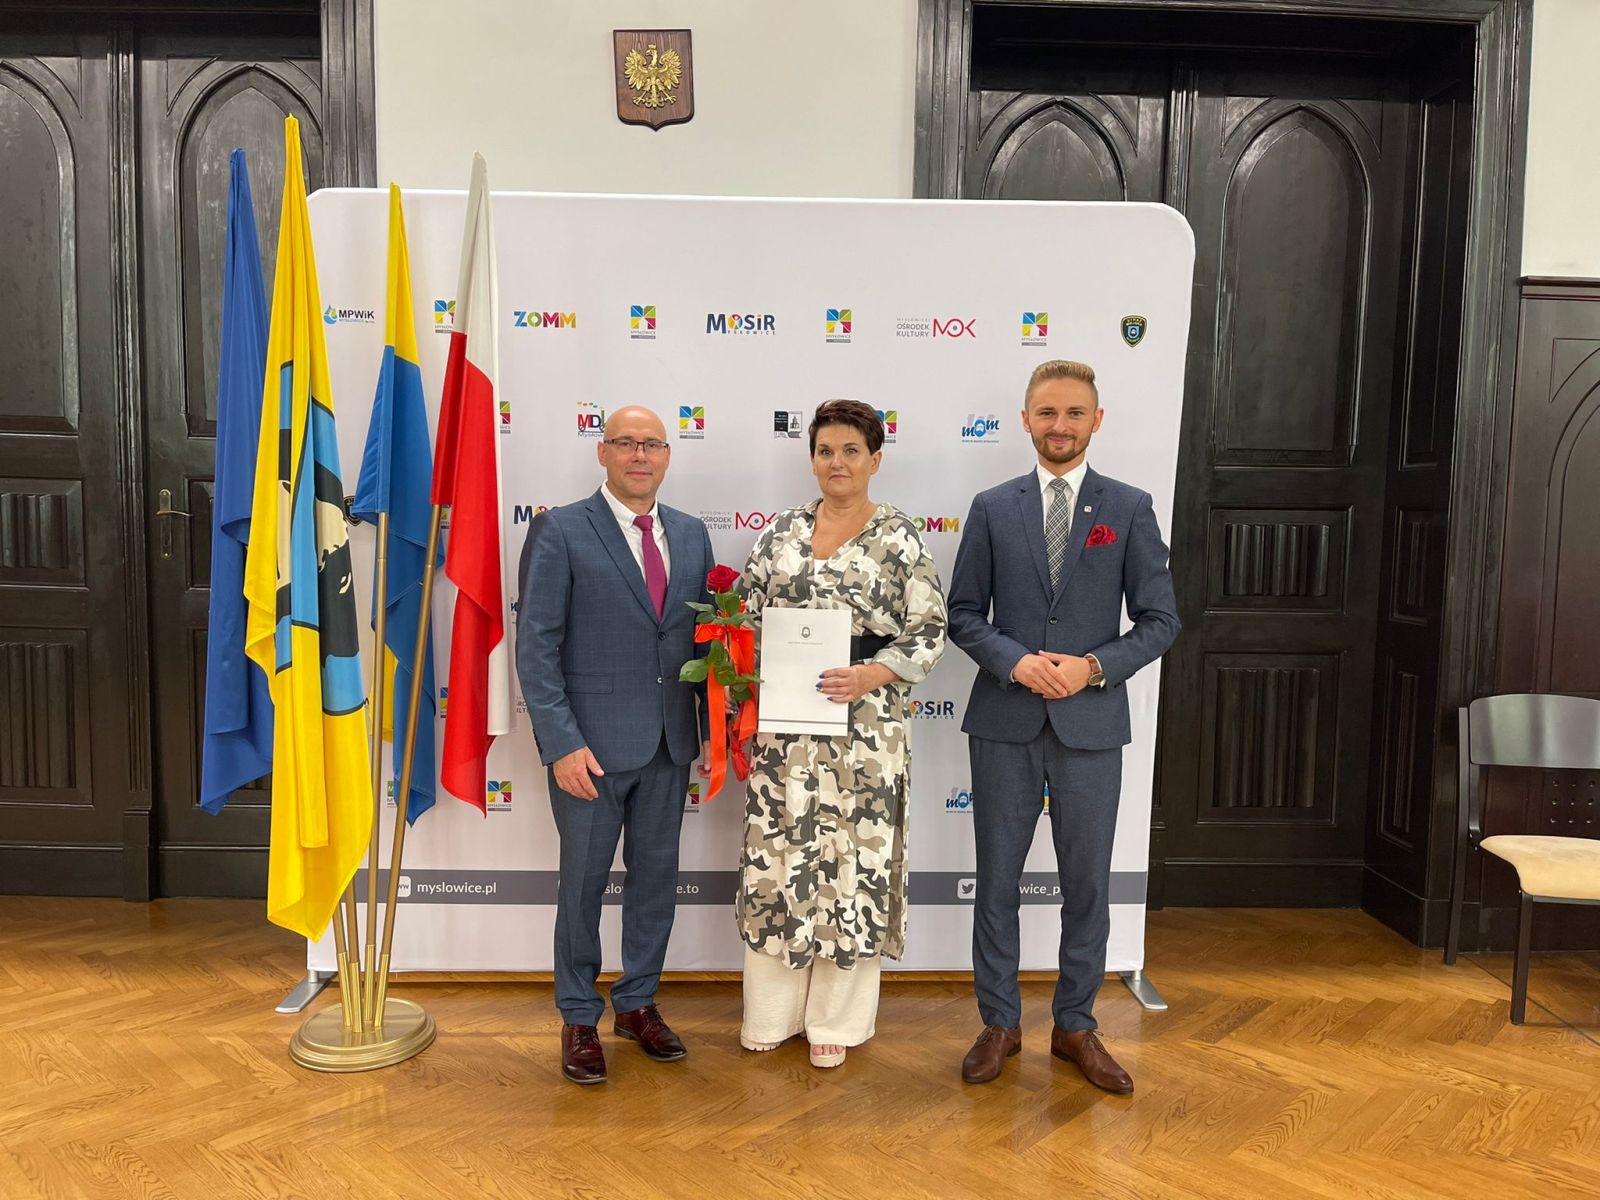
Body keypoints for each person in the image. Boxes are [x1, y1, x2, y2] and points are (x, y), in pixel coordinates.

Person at [947, 360, 1179, 1093]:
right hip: (1004, 722)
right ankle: (1000, 1023)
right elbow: (963, 614)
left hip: (1091, 725)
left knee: (1087, 886)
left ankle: (1075, 1025)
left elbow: (1161, 620)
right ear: (1025, 419)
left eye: (1074, 413)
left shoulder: (1129, 507)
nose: (1060, 425)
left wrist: (1094, 667)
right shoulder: (992, 507)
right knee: (996, 882)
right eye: (1047, 412)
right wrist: (1015, 662)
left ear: (1096, 421)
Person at [737, 399, 947, 1068]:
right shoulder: (780, 532)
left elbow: (930, 630)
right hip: (785, 734)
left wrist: (872, 673)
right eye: (826, 450)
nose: (838, 462)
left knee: (853, 865)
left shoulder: (900, 536)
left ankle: (837, 1019)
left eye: (851, 451)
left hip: (867, 730)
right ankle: (772, 1014)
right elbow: (743, 616)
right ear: (812, 460)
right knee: (779, 861)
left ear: (875, 460)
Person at [515, 405, 713, 1085]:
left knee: (655, 881)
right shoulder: (561, 529)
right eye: (625, 443)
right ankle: (578, 1016)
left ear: (667, 455)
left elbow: (700, 644)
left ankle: (637, 1003)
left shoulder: (690, 535)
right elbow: (537, 647)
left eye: (651, 444)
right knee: (583, 885)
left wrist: (711, 734)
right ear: (602, 452)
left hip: (668, 744)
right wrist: (561, 744)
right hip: (589, 752)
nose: (639, 455)